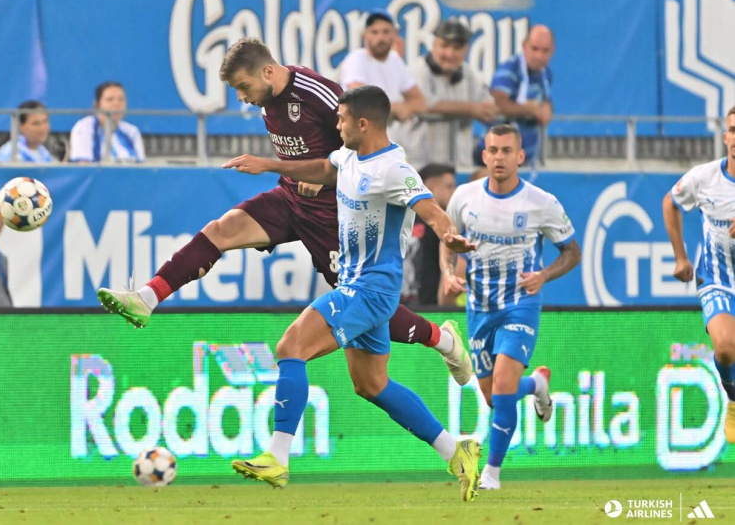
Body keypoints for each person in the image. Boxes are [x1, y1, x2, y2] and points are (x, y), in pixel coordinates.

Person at [97, 38, 472, 383]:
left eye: (243, 87)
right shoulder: (266, 101)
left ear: (267, 71)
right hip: (290, 200)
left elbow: (365, 145)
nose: (242, 97)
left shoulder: (316, 92)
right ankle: (147, 298)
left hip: (334, 216)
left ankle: (442, 339)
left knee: (368, 306)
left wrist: (329, 178)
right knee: (222, 228)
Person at [225, 85, 482, 501]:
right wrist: (268, 165)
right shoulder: (346, 157)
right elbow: (321, 169)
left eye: (341, 119)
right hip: (355, 285)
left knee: (291, 347)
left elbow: (431, 210)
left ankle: (277, 456)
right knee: (372, 385)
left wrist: (449, 236)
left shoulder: (394, 170)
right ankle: (456, 451)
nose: (336, 124)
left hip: (371, 289)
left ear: (363, 123)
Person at [441, 124, 581, 490]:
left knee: (503, 387)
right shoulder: (464, 197)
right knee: (493, 397)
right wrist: (448, 273)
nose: (499, 157)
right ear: (484, 155)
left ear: (520, 156)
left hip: (521, 303)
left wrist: (544, 275)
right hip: (479, 306)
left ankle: (492, 474)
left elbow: (572, 251)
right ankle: (536, 384)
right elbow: (447, 239)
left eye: (506, 151)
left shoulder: (541, 202)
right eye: (493, 150)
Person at [662, 104, 735, 444]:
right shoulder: (704, 178)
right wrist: (680, 256)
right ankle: (733, 398)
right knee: (725, 348)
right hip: (718, 278)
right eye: (732, 130)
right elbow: (670, 202)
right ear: (724, 136)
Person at [340, 9, 426, 162]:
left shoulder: (395, 60)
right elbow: (359, 100)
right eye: (374, 32)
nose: (380, 37)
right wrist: (397, 108)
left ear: (394, 35)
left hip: (389, 143)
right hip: (360, 143)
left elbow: (420, 103)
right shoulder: (357, 59)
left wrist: (400, 108)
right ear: (365, 36)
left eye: (386, 32)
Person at [412, 20, 497, 168]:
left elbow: (488, 106)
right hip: (420, 167)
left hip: (459, 165)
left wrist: (486, 109)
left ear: (466, 50)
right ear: (434, 45)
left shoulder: (468, 72)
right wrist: (470, 109)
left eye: (457, 48)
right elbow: (423, 103)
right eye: (444, 46)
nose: (450, 53)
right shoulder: (419, 69)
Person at [482, 25, 555, 167]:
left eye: (545, 51)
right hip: (499, 158)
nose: (539, 56)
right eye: (534, 49)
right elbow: (498, 103)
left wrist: (547, 110)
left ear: (553, 50)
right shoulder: (510, 69)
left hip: (527, 157)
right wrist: (532, 110)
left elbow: (546, 102)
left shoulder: (545, 73)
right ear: (524, 45)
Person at [410, 163, 465, 306]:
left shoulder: (448, 225)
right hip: (413, 304)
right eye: (449, 186)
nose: (454, 191)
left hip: (431, 307)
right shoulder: (442, 227)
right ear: (429, 188)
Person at [70, 81, 145, 163]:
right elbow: (83, 165)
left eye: (121, 99)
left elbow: (141, 164)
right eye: (110, 99)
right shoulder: (84, 127)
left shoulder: (132, 131)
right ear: (97, 104)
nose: (116, 104)